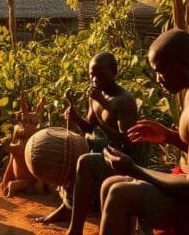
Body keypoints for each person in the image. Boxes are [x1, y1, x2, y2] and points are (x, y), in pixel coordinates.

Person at [98, 29, 189, 235]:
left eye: (161, 71)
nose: (158, 79)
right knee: (109, 184)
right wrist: (170, 136)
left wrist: (133, 169)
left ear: (183, 67)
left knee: (118, 195)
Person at [35, 52, 143, 234]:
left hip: (124, 157)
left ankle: (75, 229)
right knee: (73, 154)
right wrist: (76, 118)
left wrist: (104, 106)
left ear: (115, 73)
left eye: (101, 74)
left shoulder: (124, 101)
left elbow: (127, 142)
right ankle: (67, 207)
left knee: (85, 162)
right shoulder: (94, 95)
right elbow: (90, 128)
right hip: (102, 151)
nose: (94, 79)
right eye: (91, 74)